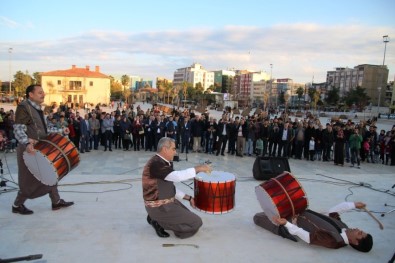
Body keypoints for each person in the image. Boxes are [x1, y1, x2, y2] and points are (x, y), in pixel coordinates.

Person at [12, 84, 74, 215]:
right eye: (40, 92)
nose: (43, 94)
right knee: (28, 180)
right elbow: (18, 129)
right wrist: (27, 143)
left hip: (38, 148)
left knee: (50, 174)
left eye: (43, 92)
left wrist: (61, 130)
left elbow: (44, 131)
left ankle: (56, 202)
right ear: (31, 94)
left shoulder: (38, 109)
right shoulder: (24, 107)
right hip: (28, 149)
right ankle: (17, 205)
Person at [142, 137, 212, 238]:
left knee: (188, 218)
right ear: (165, 149)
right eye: (173, 149)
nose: (175, 152)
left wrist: (189, 198)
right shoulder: (156, 164)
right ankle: (158, 221)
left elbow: (170, 187)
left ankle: (156, 218)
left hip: (168, 202)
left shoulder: (162, 161)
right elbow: (177, 176)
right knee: (196, 223)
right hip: (159, 207)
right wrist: (198, 168)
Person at [253, 201, 373, 252]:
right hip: (297, 211)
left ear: (355, 242)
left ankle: (281, 225)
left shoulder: (335, 241)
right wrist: (354, 204)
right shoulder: (344, 227)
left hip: (287, 225)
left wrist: (286, 224)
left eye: (360, 233)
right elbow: (333, 212)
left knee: (257, 217)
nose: (358, 229)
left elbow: (308, 237)